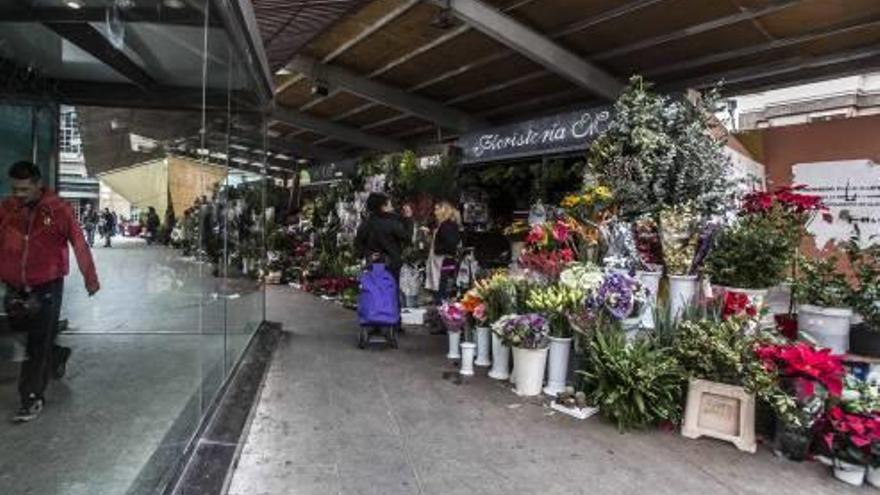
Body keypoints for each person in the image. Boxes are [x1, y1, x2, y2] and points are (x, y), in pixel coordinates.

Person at [0, 161, 100, 422]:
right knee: (22, 330)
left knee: (36, 341)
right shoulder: (7, 208)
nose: (18, 194)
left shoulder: (58, 210)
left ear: (37, 184)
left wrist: (90, 279)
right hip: (14, 286)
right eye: (14, 189)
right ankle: (56, 354)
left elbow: (79, 243)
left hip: (47, 284)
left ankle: (31, 397)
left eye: (24, 189)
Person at [354, 193, 409, 282]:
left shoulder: (365, 224)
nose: (392, 207)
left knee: (374, 291)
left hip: (372, 265)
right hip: (391, 266)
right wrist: (408, 219)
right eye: (389, 204)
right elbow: (407, 237)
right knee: (389, 291)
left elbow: (358, 246)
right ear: (383, 207)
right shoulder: (392, 223)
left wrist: (368, 255)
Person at [425, 201, 461, 305]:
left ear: (443, 210)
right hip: (444, 260)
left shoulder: (447, 225)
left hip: (443, 260)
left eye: (437, 209)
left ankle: (442, 312)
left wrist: (438, 249)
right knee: (442, 286)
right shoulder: (446, 224)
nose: (435, 212)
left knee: (441, 287)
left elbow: (450, 243)